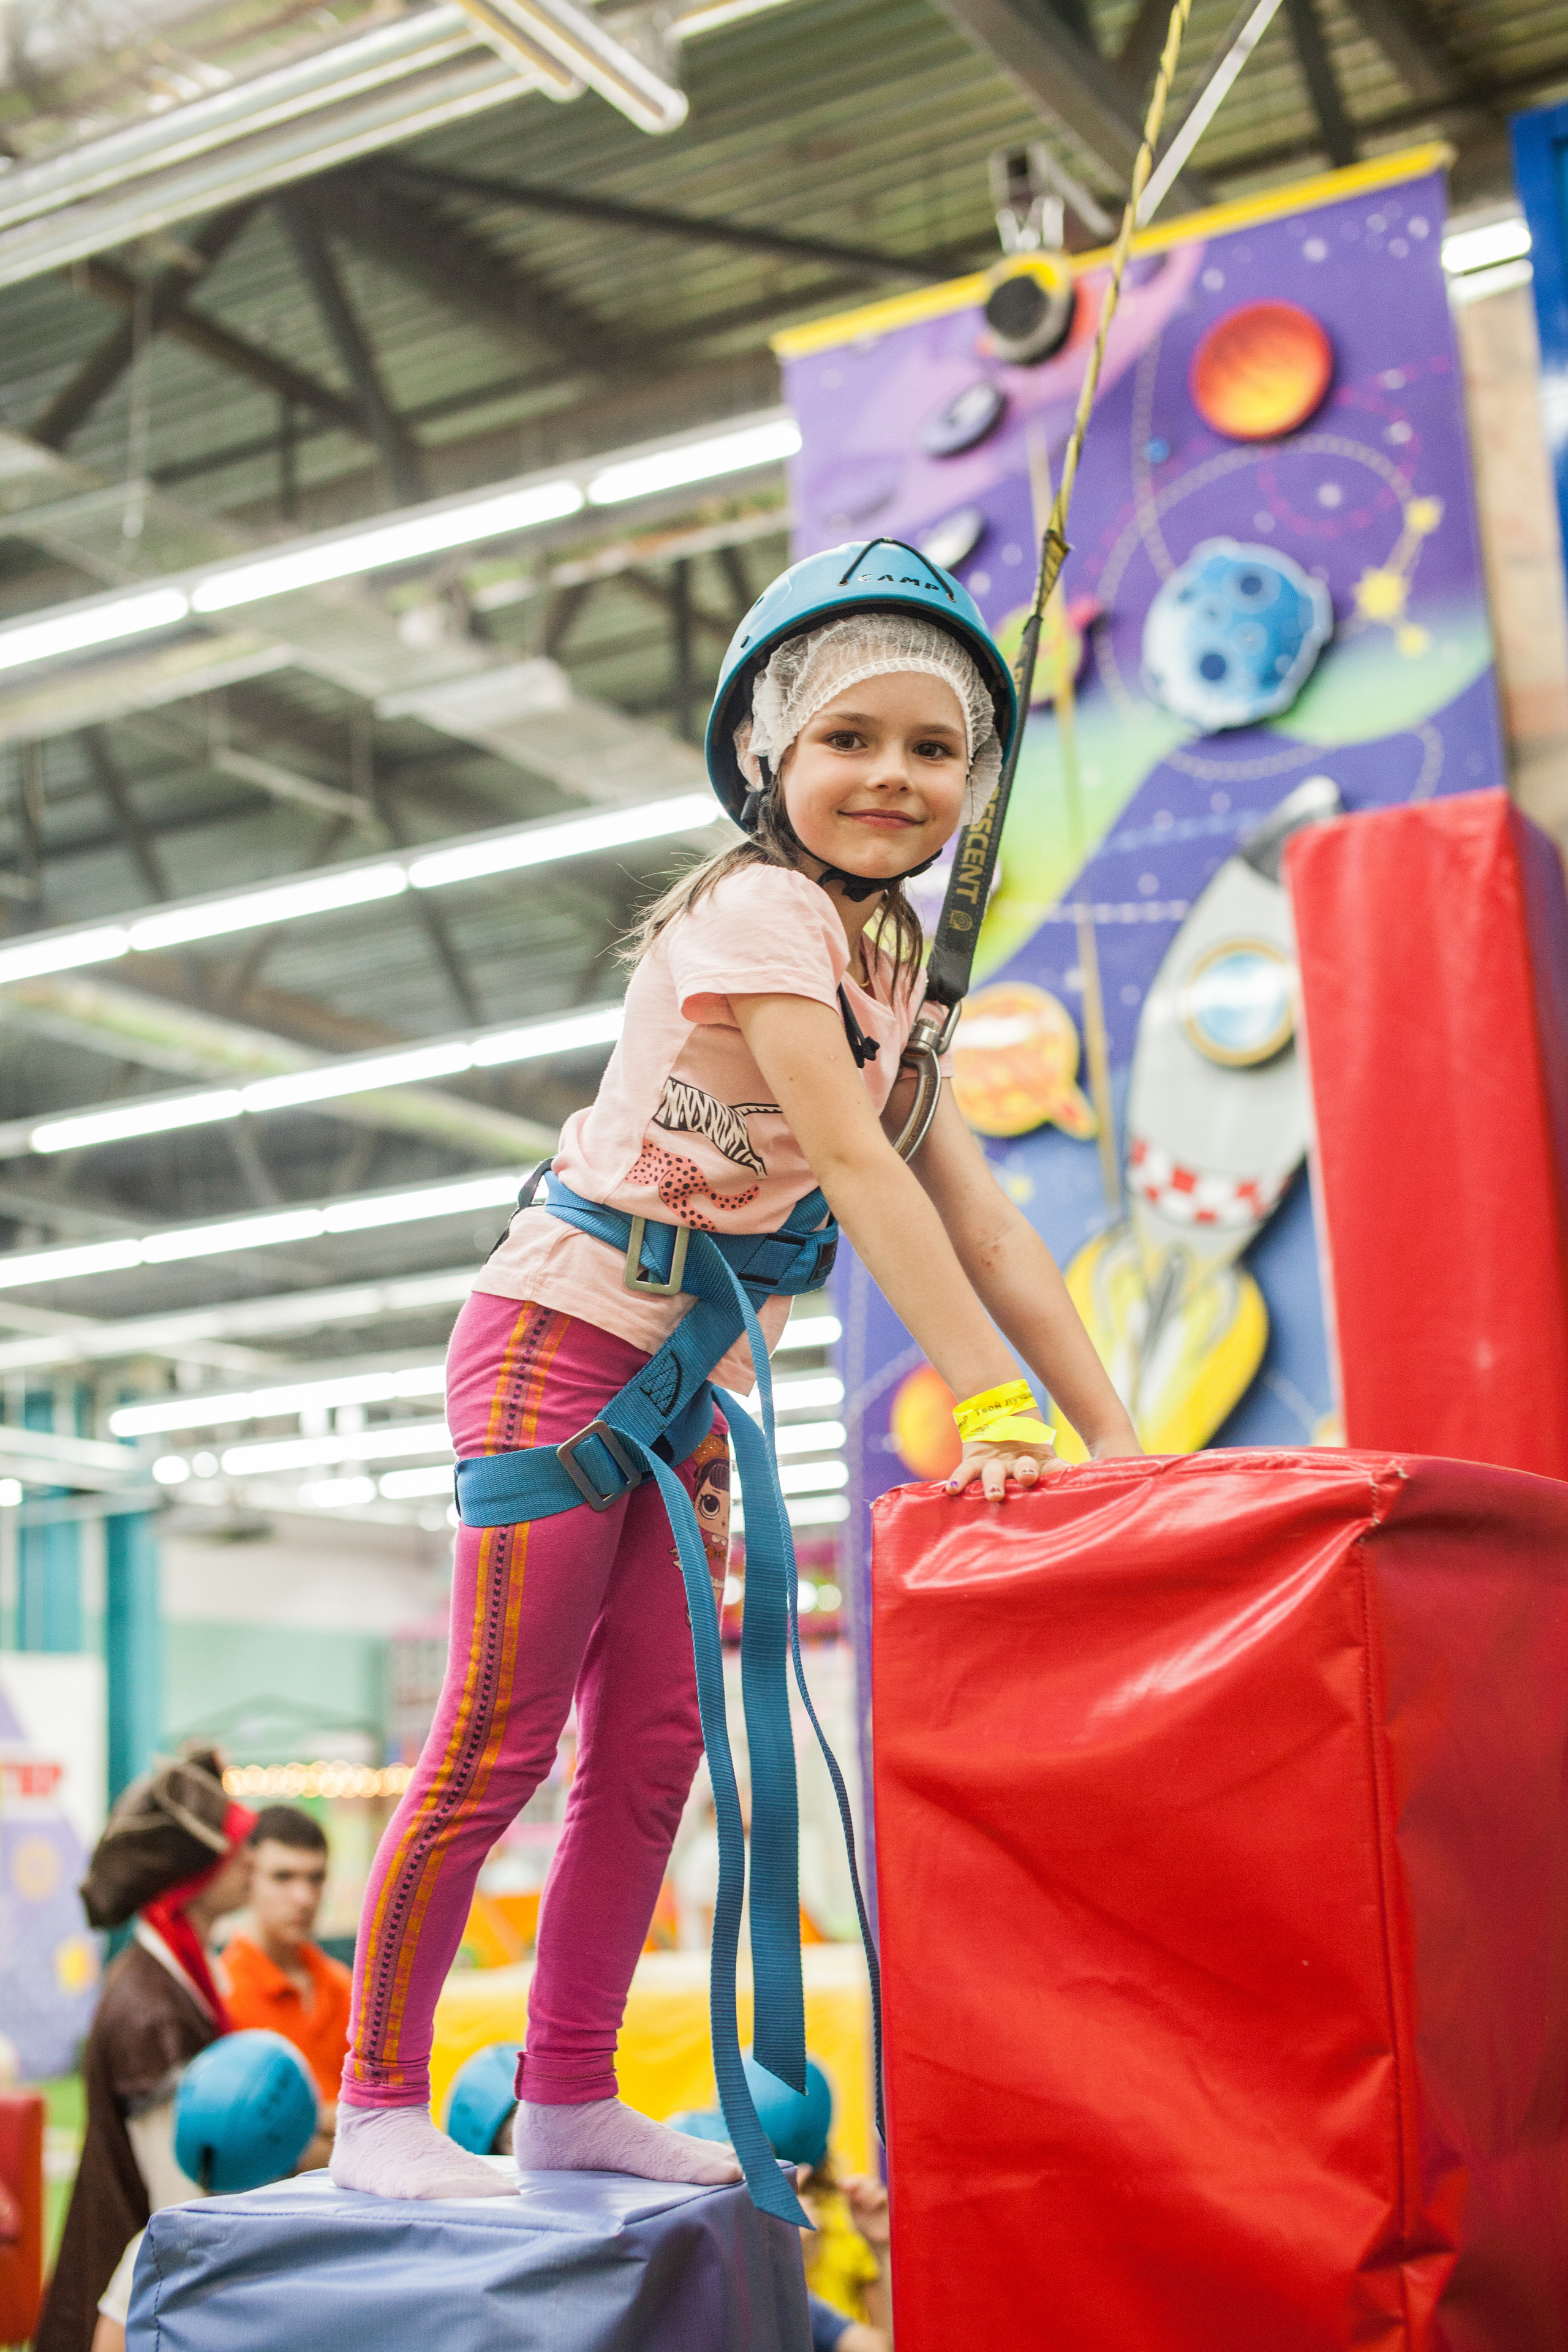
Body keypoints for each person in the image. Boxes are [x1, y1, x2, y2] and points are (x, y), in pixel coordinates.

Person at [329, 543, 1141, 2204]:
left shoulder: (895, 962)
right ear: (770, 755)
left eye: (936, 750)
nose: (894, 778)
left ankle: (565, 2098)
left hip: (681, 1379)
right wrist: (991, 1403)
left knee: (652, 1750)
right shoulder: (756, 910)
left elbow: (978, 1217)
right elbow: (855, 1165)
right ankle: (378, 2110)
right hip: (561, 1347)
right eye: (852, 740)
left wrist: (1116, 1435)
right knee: (496, 1737)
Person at [37, 1749, 256, 2352]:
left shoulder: (170, 1980)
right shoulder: (151, 2006)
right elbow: (177, 2206)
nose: (251, 1863)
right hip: (129, 2311)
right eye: (237, 1848)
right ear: (194, 1876)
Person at [224, 1805, 350, 2165]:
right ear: (247, 1879)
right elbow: (244, 2147)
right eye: (283, 1877)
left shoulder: (344, 1987)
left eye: (316, 1878)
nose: (304, 1897)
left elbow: (385, 2118)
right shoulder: (224, 1991)